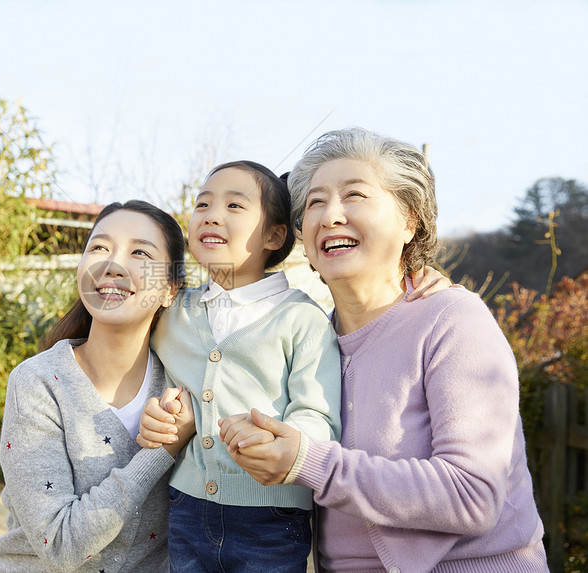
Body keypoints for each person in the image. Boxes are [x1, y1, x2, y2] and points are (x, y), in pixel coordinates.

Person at [218, 128, 549, 572]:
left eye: (354, 195)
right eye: (314, 202)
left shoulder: (454, 319)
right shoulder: (308, 337)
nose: (330, 215)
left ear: (410, 221)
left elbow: (473, 495)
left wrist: (308, 462)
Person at [137, 160, 452, 573]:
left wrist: (277, 442)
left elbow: (318, 414)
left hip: (271, 520)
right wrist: (160, 414)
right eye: (202, 205)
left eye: (235, 206)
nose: (212, 215)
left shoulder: (302, 319)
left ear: (275, 234)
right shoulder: (172, 311)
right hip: (186, 508)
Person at [0, 200, 196, 573]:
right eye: (99, 248)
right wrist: (162, 450)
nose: (112, 264)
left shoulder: (184, 386)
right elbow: (62, 544)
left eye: (139, 252)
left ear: (170, 289)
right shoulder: (37, 383)